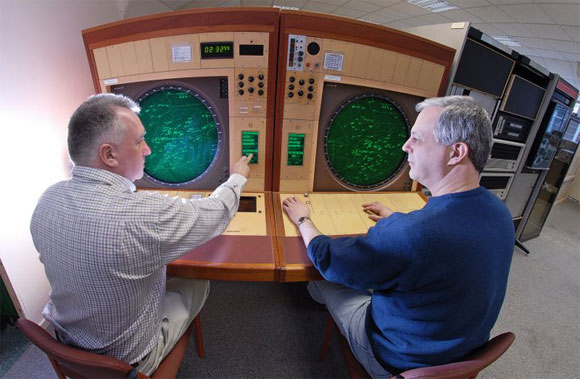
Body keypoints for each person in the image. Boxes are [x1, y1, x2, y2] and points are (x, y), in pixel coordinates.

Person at [283, 96, 515, 377]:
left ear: (456, 153)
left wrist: (303, 218)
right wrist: (397, 221)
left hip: (396, 359)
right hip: (459, 353)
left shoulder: (414, 233)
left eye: (416, 138)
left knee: (319, 279)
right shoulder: (500, 213)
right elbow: (445, 239)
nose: (406, 146)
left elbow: (328, 258)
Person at [30, 93, 252, 375]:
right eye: (139, 141)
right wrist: (238, 177)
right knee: (198, 280)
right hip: (129, 362)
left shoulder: (47, 199)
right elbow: (217, 212)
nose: (147, 150)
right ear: (109, 154)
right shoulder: (145, 215)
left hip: (66, 344)